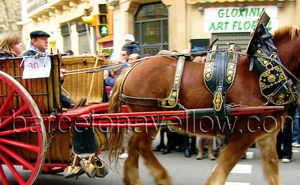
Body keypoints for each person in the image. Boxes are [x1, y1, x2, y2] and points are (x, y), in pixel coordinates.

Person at [23, 30, 86, 108]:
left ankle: (69, 102)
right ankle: (69, 102)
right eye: (43, 39)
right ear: (34, 41)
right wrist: (55, 74)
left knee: (53, 85)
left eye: (47, 39)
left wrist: (58, 73)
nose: (46, 41)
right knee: (49, 87)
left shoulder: (45, 54)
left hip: (44, 85)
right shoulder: (28, 55)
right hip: (36, 87)